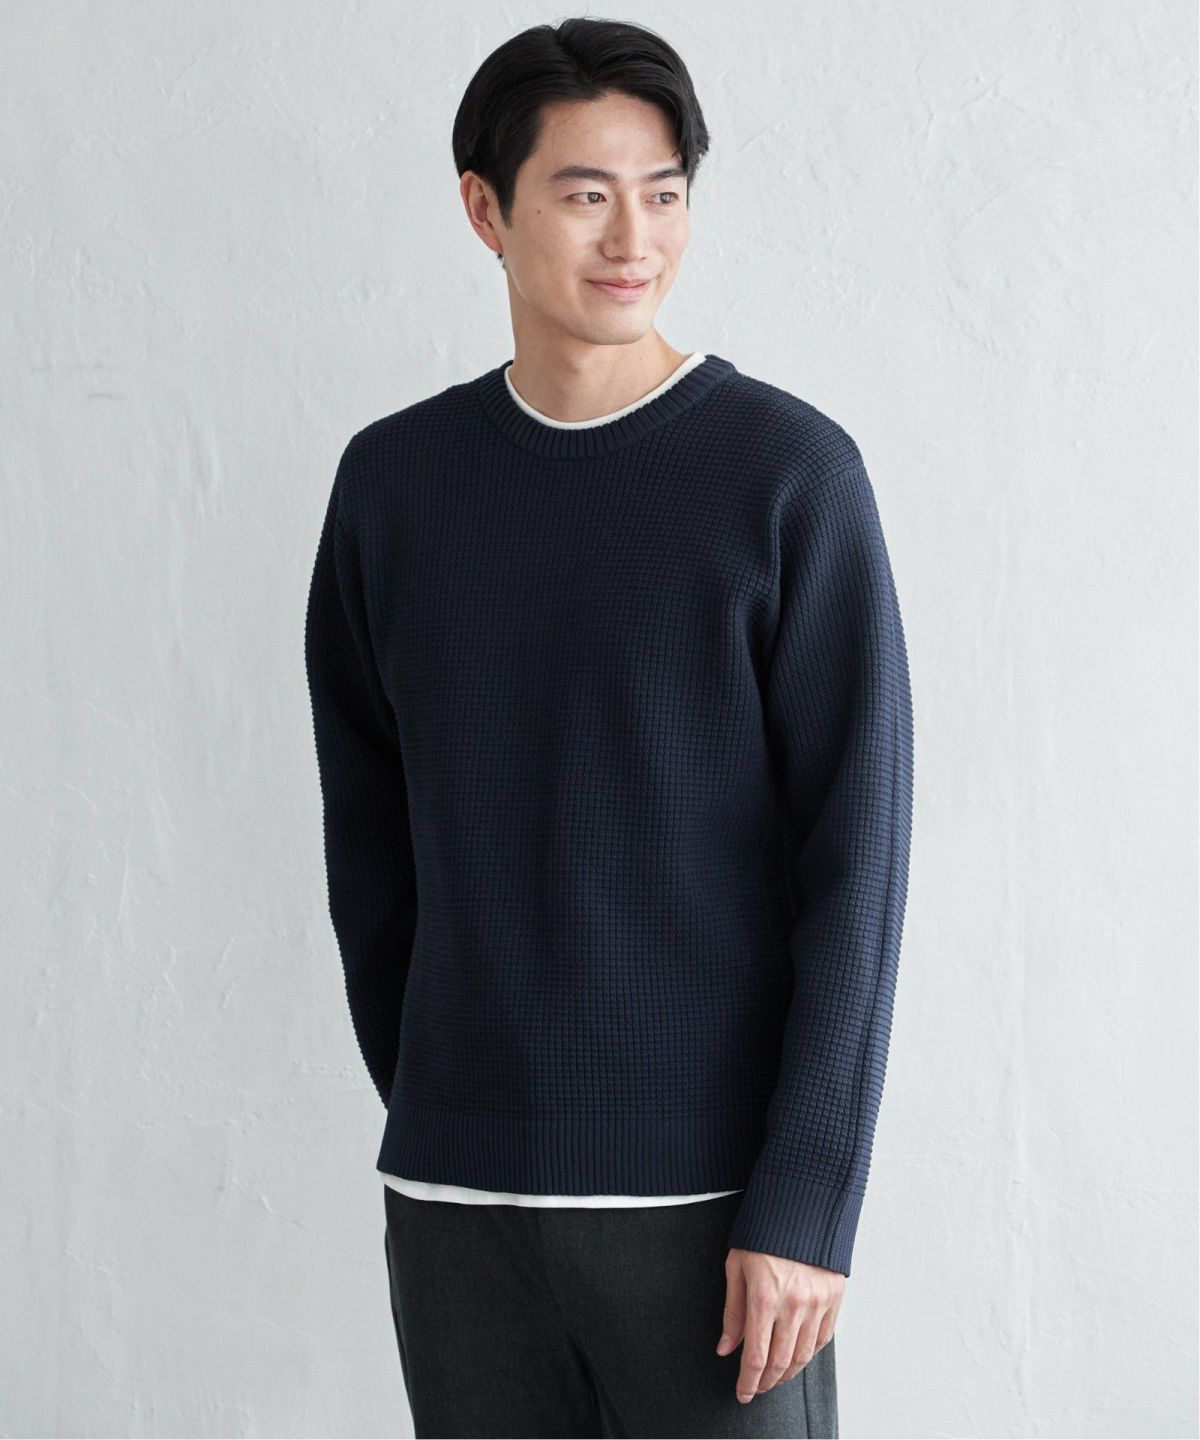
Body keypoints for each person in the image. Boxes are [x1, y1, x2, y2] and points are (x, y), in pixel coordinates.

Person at [304, 17, 913, 1438]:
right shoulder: (395, 486)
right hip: (459, 1209)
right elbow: (369, 840)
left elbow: (858, 870)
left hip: (714, 1216)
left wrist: (806, 1201)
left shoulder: (788, 477)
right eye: (586, 193)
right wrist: (448, 1092)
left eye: (664, 192)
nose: (634, 237)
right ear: (486, 209)